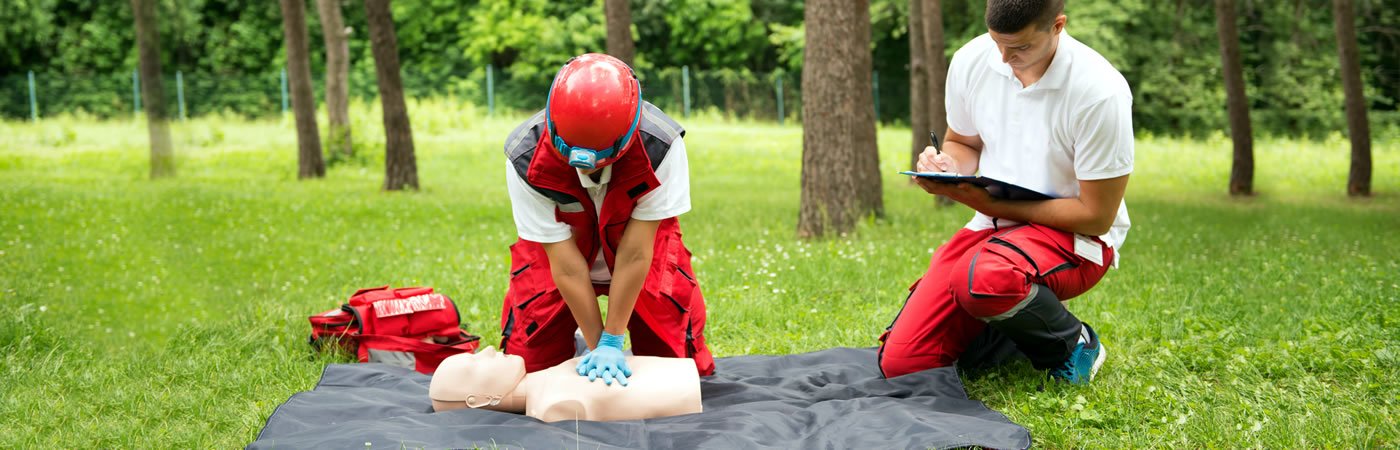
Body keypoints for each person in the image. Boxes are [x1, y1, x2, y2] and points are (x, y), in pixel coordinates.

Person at [879, 0, 1133, 385]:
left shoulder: (1100, 92)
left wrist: (992, 203)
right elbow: (963, 142)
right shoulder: (972, 60)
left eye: (1020, 48)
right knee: (904, 364)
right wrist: (949, 167)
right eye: (997, 42)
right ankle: (1013, 319)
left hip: (1077, 237)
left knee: (984, 278)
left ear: (1058, 26)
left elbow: (1096, 215)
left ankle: (1074, 344)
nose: (1003, 57)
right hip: (993, 226)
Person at [500, 53, 715, 387]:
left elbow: (636, 253)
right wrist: (598, 344)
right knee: (528, 374)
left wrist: (613, 341)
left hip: (641, 254)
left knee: (680, 376)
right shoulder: (525, 156)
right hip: (559, 258)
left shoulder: (660, 146)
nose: (586, 171)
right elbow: (566, 265)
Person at [429, 346, 703, 422]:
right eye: (475, 363)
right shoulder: (555, 405)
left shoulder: (549, 384)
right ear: (477, 400)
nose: (488, 349)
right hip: (686, 391)